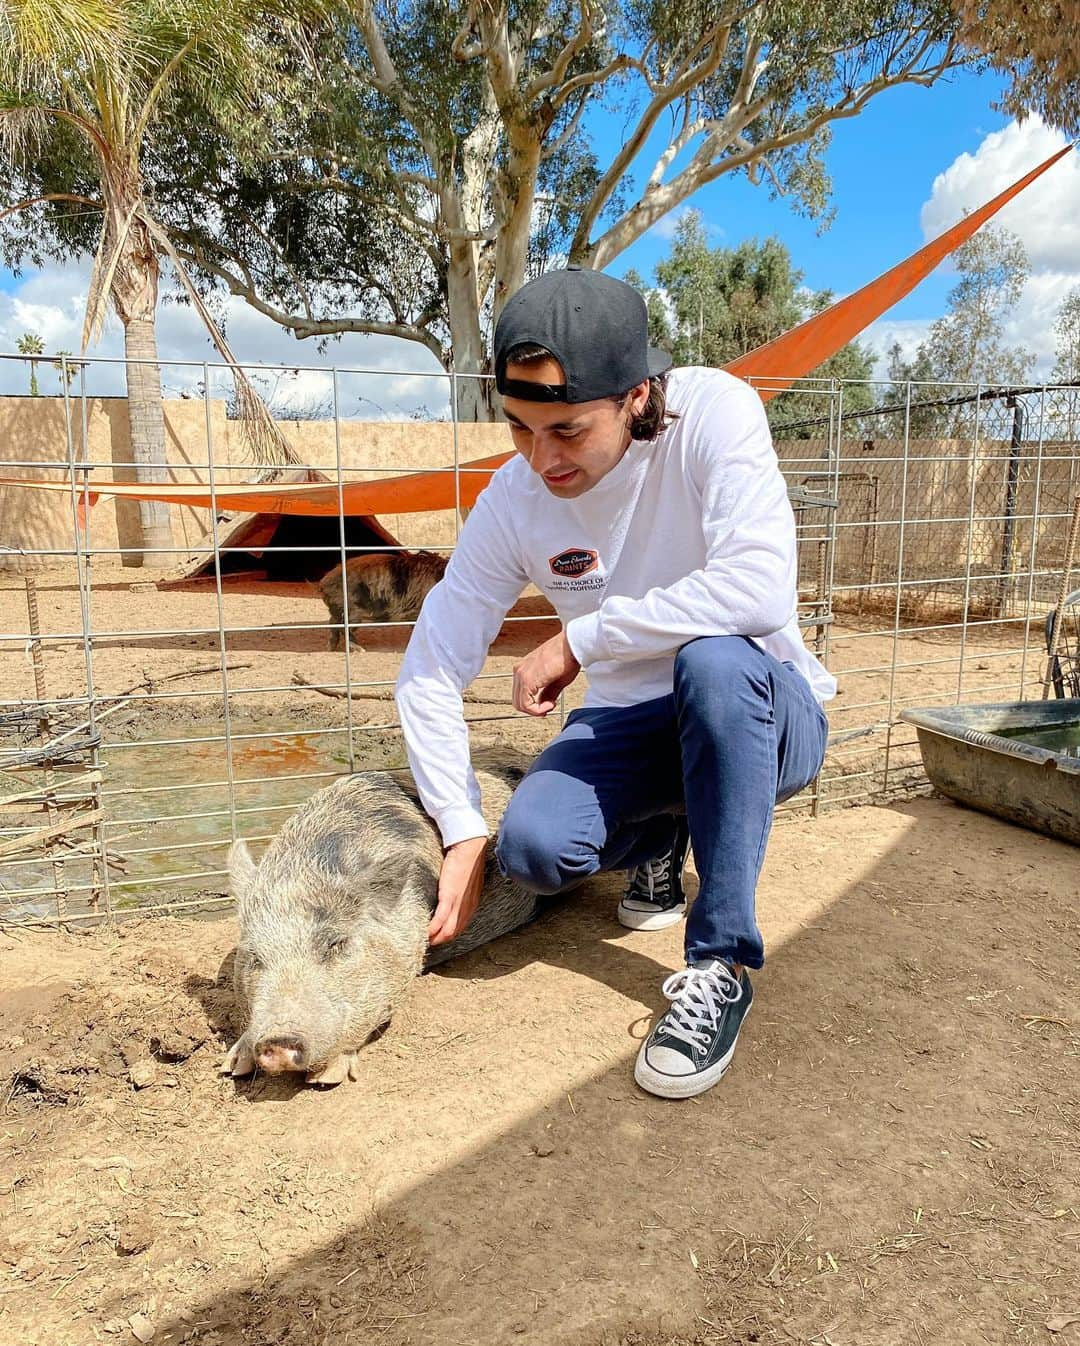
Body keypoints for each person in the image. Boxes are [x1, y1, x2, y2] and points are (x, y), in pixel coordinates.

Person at [394, 266, 835, 1100]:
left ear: (637, 395)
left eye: (565, 431)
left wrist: (580, 640)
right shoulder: (515, 495)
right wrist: (458, 827)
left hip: (762, 705)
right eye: (520, 429)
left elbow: (757, 589)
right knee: (531, 849)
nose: (540, 459)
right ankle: (666, 840)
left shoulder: (714, 412)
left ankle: (720, 963)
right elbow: (430, 663)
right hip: (633, 719)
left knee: (712, 658)